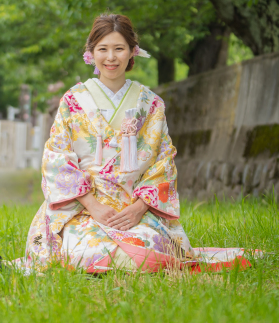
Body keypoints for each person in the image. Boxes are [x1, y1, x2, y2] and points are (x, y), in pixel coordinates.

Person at [16, 14, 250, 273]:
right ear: (91, 54)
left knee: (150, 248)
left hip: (133, 207)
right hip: (83, 207)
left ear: (132, 52)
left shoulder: (150, 104)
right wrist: (93, 206)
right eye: (102, 49)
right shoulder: (73, 101)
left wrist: (139, 208)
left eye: (119, 48)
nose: (111, 57)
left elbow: (162, 161)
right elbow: (57, 158)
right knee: (83, 251)